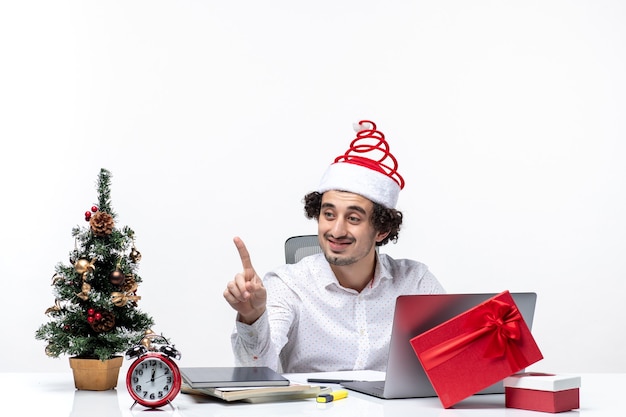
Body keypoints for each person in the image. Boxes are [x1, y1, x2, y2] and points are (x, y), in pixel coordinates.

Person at [223, 120, 445, 373]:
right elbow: (256, 372)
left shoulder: (415, 282)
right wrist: (252, 319)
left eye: (353, 218)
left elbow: (457, 356)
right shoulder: (288, 285)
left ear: (382, 230)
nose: (336, 231)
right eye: (329, 215)